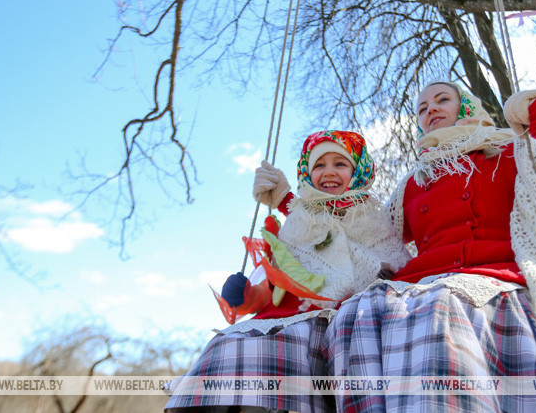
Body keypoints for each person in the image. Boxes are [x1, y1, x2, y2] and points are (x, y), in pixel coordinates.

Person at [322, 82, 536, 412]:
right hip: (421, 284)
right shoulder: (414, 182)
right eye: (422, 109)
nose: (432, 110)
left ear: (467, 106)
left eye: (442, 100)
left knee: (443, 305)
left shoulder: (512, 152)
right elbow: (361, 232)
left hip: (495, 279)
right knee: (355, 312)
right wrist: (292, 202)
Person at [165, 130, 411, 412]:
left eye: (340, 164)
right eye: (319, 165)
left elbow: (401, 272)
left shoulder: (373, 221)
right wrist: (246, 296)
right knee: (229, 345)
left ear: (358, 172)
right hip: (291, 318)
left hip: (347, 321)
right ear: (307, 173)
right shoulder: (298, 222)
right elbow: (275, 288)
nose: (328, 172)